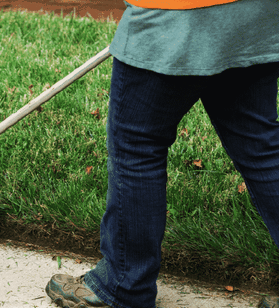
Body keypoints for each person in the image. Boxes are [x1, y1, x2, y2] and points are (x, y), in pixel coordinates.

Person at [45, 0, 279, 307]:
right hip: (255, 13)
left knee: (137, 146)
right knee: (261, 150)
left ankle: (122, 288)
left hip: (176, 15)